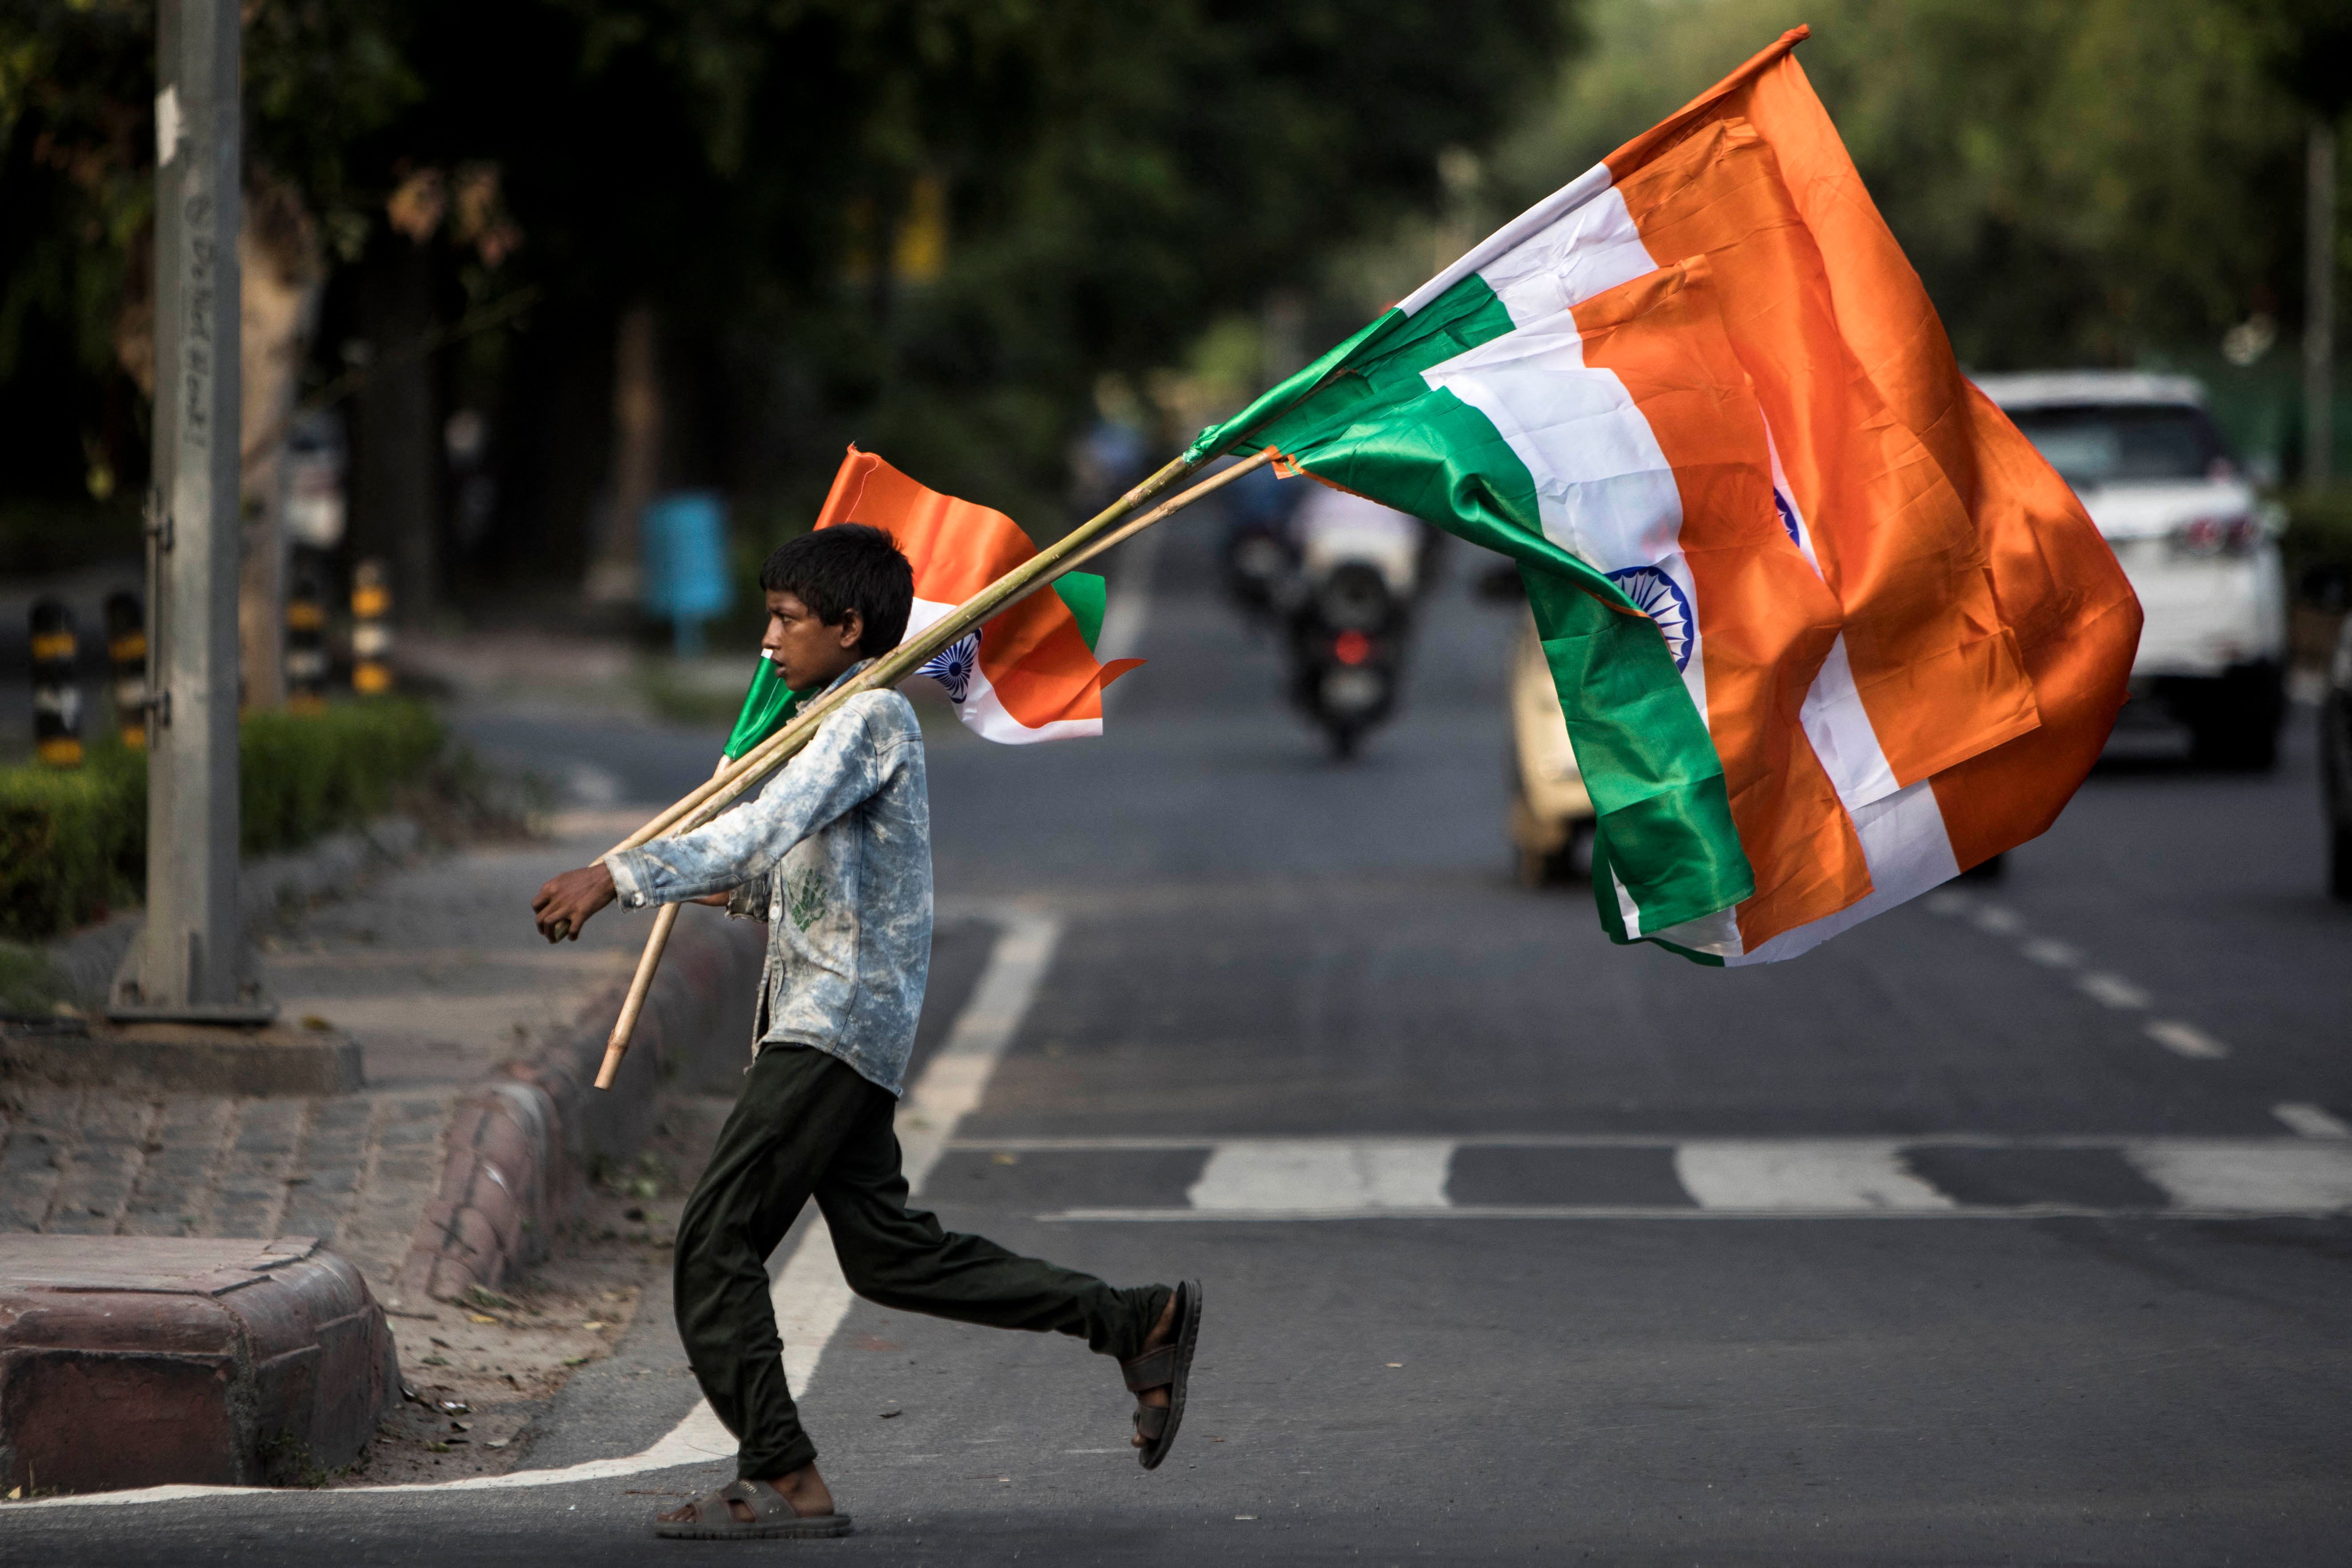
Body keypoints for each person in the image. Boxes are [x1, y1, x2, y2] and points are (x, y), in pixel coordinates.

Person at [531, 524, 1201, 1540]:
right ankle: (1132, 1318)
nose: (768, 640)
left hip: (831, 1026)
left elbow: (758, 827)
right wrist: (694, 888)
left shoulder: (867, 718)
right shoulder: (828, 722)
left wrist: (616, 874)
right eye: (769, 617)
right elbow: (775, 878)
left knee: (715, 1239)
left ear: (851, 628)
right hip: (837, 1026)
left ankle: (782, 1474)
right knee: (890, 1256)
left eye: (789, 620)